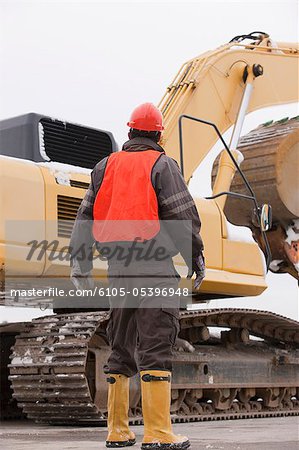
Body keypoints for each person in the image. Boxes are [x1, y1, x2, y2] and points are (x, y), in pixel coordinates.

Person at [70, 103, 205, 450]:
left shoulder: (104, 167)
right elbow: (181, 214)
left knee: (121, 343)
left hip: (118, 271)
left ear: (129, 132)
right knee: (156, 343)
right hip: (155, 269)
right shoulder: (162, 165)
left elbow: (85, 217)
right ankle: (158, 433)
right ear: (159, 134)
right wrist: (195, 256)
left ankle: (117, 430)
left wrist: (80, 262)